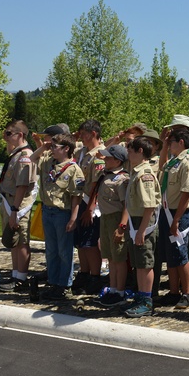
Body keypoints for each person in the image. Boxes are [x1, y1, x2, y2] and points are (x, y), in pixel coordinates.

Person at [32, 131, 84, 300]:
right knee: (51, 250)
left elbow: (77, 197)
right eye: (52, 146)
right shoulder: (49, 163)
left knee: (64, 251)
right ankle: (53, 282)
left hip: (63, 213)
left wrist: (73, 218)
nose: (52, 149)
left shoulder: (74, 169)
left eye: (55, 147)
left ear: (66, 149)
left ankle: (65, 285)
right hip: (48, 211)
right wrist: (43, 147)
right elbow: (32, 159)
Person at [122, 136, 162, 318]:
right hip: (136, 221)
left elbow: (150, 206)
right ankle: (141, 295)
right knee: (138, 263)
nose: (128, 154)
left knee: (145, 264)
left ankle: (146, 300)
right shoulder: (136, 171)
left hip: (143, 223)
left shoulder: (145, 174)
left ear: (140, 152)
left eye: (131, 151)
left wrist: (142, 230)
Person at [158, 127, 189, 309]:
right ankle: (174, 291)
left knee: (181, 254)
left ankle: (187, 293)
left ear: (181, 142)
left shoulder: (187, 162)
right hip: (167, 211)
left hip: (178, 214)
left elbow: (186, 193)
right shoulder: (175, 161)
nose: (170, 145)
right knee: (171, 254)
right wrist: (165, 145)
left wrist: (176, 220)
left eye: (172, 142)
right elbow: (161, 166)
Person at [0, 120, 38, 292]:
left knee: (21, 241)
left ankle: (21, 278)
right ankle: (15, 274)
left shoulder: (25, 156)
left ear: (20, 135)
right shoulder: (16, 153)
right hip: (9, 201)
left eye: (8, 133)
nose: (5, 136)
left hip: (18, 203)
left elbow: (22, 185)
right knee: (13, 240)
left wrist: (15, 210)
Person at [73, 119, 106, 296]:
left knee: (90, 243)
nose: (81, 138)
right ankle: (84, 273)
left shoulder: (99, 154)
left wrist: (90, 209)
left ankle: (95, 276)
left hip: (90, 202)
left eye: (84, 135)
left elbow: (96, 184)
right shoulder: (83, 152)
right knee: (81, 243)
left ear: (94, 134)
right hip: (80, 199)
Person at [94, 144, 131, 306]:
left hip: (116, 219)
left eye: (108, 157)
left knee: (119, 257)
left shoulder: (122, 178)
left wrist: (122, 227)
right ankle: (113, 288)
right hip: (105, 218)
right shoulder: (107, 175)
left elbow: (126, 205)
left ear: (117, 161)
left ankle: (120, 291)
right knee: (110, 257)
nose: (105, 159)